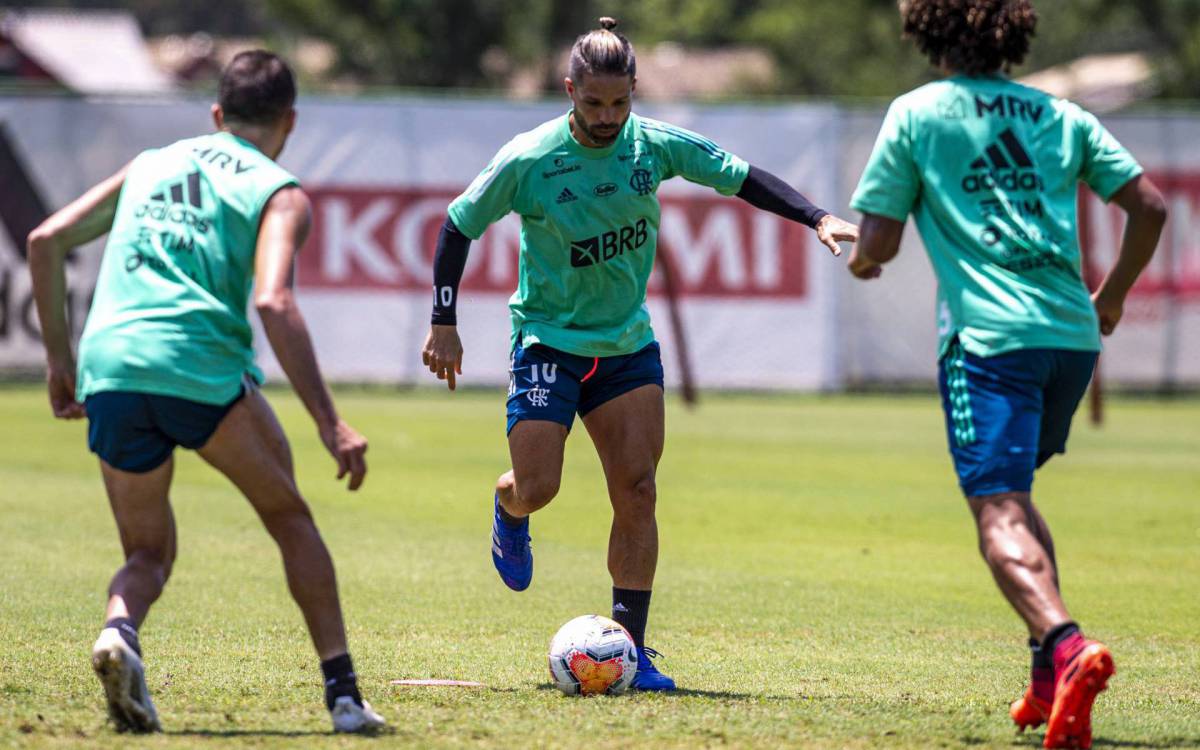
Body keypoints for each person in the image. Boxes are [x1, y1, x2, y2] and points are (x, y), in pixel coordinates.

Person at [421, 17, 858, 691]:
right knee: (539, 487)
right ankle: (509, 510)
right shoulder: (530, 160)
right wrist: (443, 321)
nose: (607, 118)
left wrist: (816, 216)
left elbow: (739, 177)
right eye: (593, 104)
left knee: (639, 491)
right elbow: (457, 225)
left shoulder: (652, 146)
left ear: (633, 92)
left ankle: (634, 650)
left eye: (619, 103)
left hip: (627, 347)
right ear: (570, 90)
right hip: (547, 342)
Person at [27, 50, 386, 734]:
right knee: (289, 519)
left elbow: (46, 240)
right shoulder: (279, 191)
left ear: (218, 115)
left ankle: (119, 632)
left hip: (114, 367)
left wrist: (60, 363)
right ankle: (342, 695)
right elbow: (275, 303)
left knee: (147, 553)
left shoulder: (151, 163)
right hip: (200, 371)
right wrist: (330, 423)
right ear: (290, 121)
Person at [846, 2, 1166, 747]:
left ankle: (1067, 644)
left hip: (990, 340)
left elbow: (880, 245)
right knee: (1018, 500)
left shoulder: (918, 113)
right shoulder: (1060, 113)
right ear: (1012, 29)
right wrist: (1111, 298)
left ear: (925, 28)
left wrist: (862, 256)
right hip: (1071, 337)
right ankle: (1047, 682)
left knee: (996, 513)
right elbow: (1148, 207)